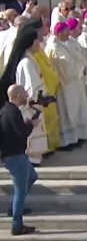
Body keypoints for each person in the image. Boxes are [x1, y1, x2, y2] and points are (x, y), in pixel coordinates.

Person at [0, 18, 57, 165]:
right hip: (30, 107)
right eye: (37, 40)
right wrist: (41, 98)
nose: (39, 42)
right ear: (31, 42)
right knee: (32, 134)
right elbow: (30, 87)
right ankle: (31, 159)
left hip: (35, 105)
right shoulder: (26, 63)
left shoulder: (31, 59)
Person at [45, 22, 87, 147]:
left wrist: (82, 65)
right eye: (66, 32)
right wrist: (80, 66)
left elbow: (77, 58)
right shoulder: (54, 47)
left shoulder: (66, 43)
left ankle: (78, 136)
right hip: (64, 85)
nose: (68, 34)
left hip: (75, 82)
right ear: (59, 34)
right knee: (65, 112)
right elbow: (66, 65)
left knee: (77, 110)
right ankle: (66, 141)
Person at [0, 84, 39, 235]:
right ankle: (17, 226)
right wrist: (31, 125)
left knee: (32, 176)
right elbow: (21, 133)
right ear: (17, 95)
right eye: (24, 93)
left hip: (14, 155)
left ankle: (15, 208)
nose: (26, 95)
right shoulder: (12, 112)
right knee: (20, 191)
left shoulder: (6, 110)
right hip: (15, 157)